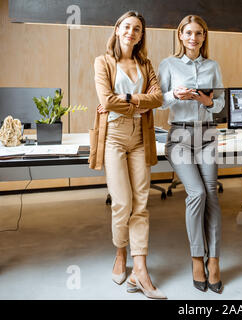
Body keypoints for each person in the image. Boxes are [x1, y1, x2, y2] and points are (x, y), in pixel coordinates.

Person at [91, 11, 166, 299]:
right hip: (113, 136)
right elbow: (104, 100)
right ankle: (120, 254)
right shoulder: (103, 61)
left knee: (142, 203)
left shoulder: (145, 64)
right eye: (127, 27)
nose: (131, 32)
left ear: (141, 34)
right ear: (117, 29)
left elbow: (158, 98)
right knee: (122, 203)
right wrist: (138, 104)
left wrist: (127, 99)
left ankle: (141, 270)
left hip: (140, 136)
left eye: (137, 29)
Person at [158, 15, 225, 294]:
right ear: (180, 36)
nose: (194, 38)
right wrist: (177, 95)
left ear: (204, 37)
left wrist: (207, 100)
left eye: (199, 33)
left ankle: (214, 260)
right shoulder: (169, 64)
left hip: (208, 134)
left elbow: (219, 104)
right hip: (180, 136)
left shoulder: (213, 66)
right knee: (196, 193)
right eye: (188, 33)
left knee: (211, 193)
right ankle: (197, 258)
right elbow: (157, 101)